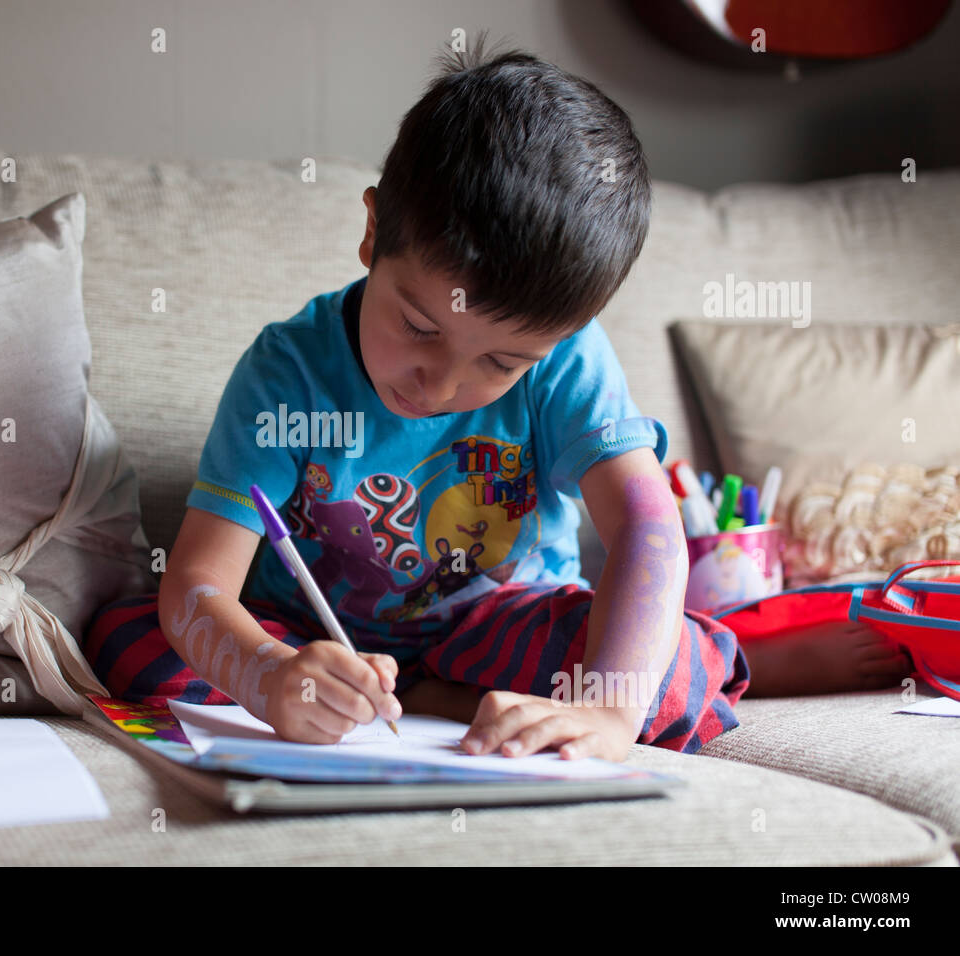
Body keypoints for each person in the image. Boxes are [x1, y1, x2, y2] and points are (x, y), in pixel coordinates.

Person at [83, 33, 912, 762]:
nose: (442, 386)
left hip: (500, 628)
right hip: (311, 636)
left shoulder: (568, 359)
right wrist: (270, 680)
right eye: (417, 326)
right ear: (373, 232)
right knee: (130, 643)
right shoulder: (287, 371)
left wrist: (609, 710)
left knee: (662, 668)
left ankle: (465, 693)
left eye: (503, 364)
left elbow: (646, 525)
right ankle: (423, 698)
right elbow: (197, 584)